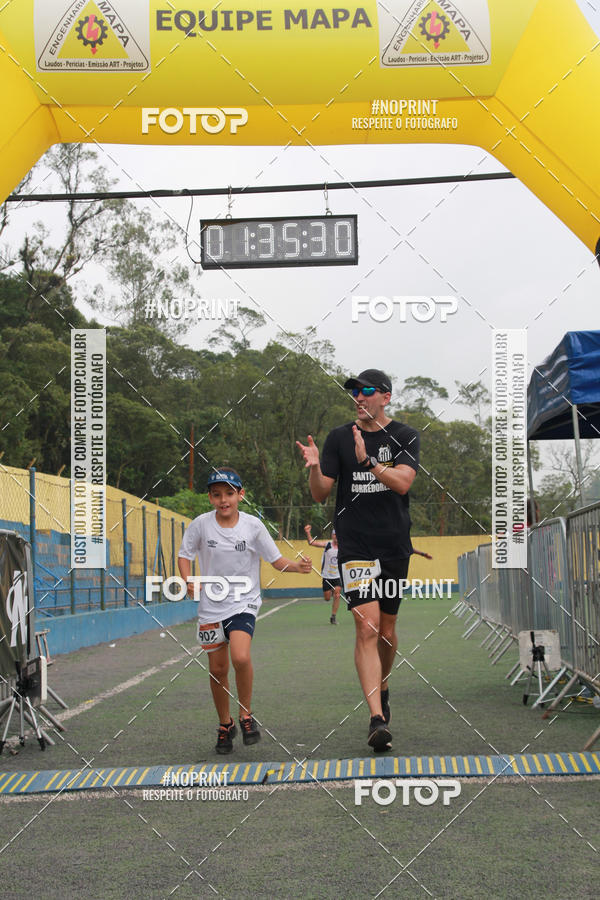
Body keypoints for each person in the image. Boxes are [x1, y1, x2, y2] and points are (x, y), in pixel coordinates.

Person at [296, 369, 420, 752]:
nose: (359, 398)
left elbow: (403, 482)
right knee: (367, 627)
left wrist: (369, 464)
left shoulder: (404, 436)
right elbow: (320, 494)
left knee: (386, 630)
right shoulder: (339, 438)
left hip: (394, 545)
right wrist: (315, 467)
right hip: (355, 547)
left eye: (366, 391)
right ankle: (376, 718)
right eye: (354, 393)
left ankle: (383, 685)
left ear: (385, 396)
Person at [178, 467, 312, 755]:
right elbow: (184, 555)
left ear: (241, 495)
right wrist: (188, 580)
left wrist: (297, 567)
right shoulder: (200, 525)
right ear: (210, 498)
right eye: (217, 495)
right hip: (211, 607)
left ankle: (246, 714)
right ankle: (225, 724)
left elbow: (276, 560)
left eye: (229, 493)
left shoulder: (253, 526)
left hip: (243, 602)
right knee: (217, 669)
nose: (223, 500)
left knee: (240, 656)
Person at [304, 524, 341, 624]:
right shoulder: (327, 544)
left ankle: (333, 616)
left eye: (338, 534)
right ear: (332, 536)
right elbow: (311, 543)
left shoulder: (343, 546)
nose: (336, 536)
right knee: (327, 598)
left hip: (337, 576)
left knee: (337, 594)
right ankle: (331, 592)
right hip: (326, 576)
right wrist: (308, 532)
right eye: (334, 534)